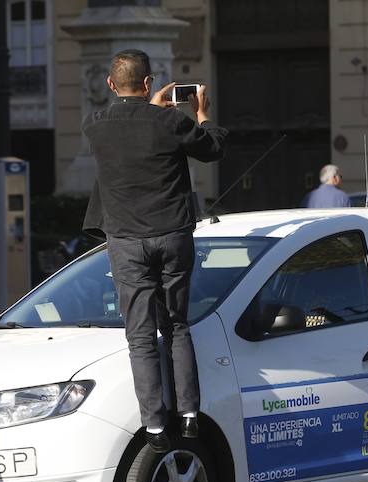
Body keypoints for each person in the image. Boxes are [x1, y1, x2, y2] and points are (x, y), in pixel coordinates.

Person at [81, 49, 228, 453]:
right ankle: (189, 414)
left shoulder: (95, 125)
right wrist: (201, 113)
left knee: (140, 336)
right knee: (177, 325)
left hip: (126, 241)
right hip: (172, 235)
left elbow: (127, 126)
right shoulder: (171, 122)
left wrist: (149, 106)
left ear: (111, 85)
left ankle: (154, 425)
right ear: (148, 82)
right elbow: (212, 148)